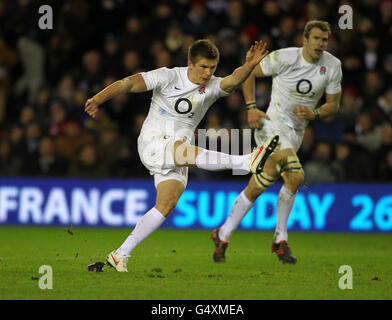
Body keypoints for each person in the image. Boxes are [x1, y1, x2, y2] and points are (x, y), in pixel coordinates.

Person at [85, 39, 279, 272]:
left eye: (212, 68)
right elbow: (127, 83)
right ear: (190, 63)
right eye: (203, 67)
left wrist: (248, 65)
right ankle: (246, 161)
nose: (208, 73)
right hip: (154, 143)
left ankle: (120, 254)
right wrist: (97, 99)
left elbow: (234, 79)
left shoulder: (213, 86)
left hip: (179, 151)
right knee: (183, 149)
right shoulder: (168, 77)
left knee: (167, 203)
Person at [211, 20, 342, 264]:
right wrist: (251, 107)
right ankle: (280, 239)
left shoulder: (333, 66)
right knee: (296, 176)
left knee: (259, 186)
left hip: (296, 132)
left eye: (324, 40)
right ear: (305, 39)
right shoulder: (286, 58)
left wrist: (315, 114)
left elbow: (333, 104)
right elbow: (248, 70)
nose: (320, 44)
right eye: (316, 39)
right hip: (271, 124)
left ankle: (223, 233)